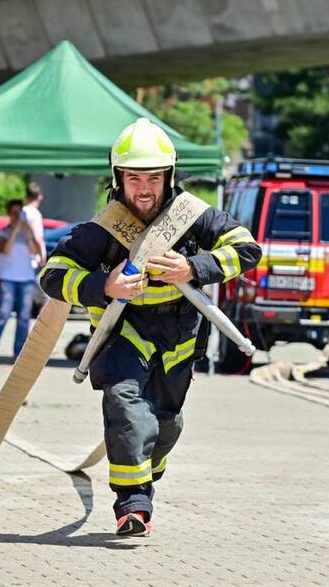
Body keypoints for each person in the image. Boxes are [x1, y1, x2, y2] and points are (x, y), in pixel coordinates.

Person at [38, 118, 261, 536]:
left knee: (166, 423)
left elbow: (246, 248)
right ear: (118, 178)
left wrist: (193, 267)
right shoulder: (101, 229)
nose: (143, 188)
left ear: (169, 177)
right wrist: (101, 285)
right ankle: (132, 504)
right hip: (122, 334)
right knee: (124, 405)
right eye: (133, 177)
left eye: (153, 178)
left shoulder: (194, 217)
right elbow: (53, 274)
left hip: (179, 339)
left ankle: (147, 474)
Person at [0, 199, 41, 363]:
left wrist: (27, 232)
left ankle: (18, 352)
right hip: (8, 277)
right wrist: (15, 230)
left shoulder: (27, 232)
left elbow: (36, 251)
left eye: (19, 213)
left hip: (26, 278)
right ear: (9, 214)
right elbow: (5, 249)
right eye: (14, 213)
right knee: (4, 314)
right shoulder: (3, 233)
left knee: (23, 317)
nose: (17, 216)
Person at [23, 181, 47, 267]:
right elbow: (38, 238)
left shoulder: (21, 212)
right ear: (40, 197)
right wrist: (42, 256)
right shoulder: (35, 214)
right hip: (31, 259)